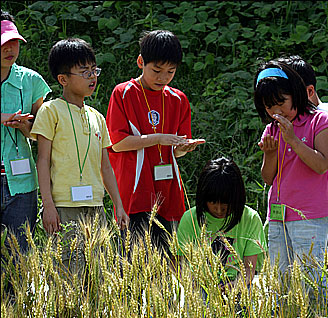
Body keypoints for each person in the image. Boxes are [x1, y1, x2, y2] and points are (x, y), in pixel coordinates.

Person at [31, 38, 129, 271]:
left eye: (94, 70)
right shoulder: (51, 110)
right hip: (64, 206)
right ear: (63, 79)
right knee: (68, 273)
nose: (92, 76)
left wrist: (118, 205)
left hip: (95, 206)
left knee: (99, 272)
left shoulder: (97, 117)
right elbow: (43, 160)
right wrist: (48, 205)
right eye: (84, 72)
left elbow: (106, 167)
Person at [106, 29, 205, 252]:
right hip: (134, 192)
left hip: (168, 192)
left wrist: (183, 148)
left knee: (166, 262)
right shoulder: (124, 93)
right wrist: (158, 138)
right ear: (141, 62)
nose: (163, 78)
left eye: (170, 72)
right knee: (134, 263)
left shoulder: (178, 99)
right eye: (157, 70)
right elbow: (118, 143)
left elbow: (176, 151)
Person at [254, 59, 328, 305]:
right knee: (280, 279)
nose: (276, 111)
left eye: (281, 103)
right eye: (269, 107)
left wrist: (293, 140)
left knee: (310, 279)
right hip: (279, 215)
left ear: (296, 94)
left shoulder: (321, 121)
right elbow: (268, 178)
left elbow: (321, 165)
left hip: (310, 215)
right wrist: (270, 154)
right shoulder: (272, 129)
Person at [175, 157, 266, 290]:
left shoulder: (250, 218)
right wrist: (193, 285)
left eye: (225, 203)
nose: (219, 209)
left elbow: (249, 268)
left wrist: (235, 286)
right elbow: (179, 262)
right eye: (213, 203)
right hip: (200, 285)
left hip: (237, 284)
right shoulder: (190, 219)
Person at [1, 10, 51, 253]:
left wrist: (25, 127)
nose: (10, 49)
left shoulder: (31, 81)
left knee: (19, 257)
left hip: (21, 182)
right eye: (3, 43)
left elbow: (41, 134)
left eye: (14, 42)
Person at [279, 55, 328, 190]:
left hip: (313, 203)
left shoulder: (323, 117)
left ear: (309, 91)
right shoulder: (294, 116)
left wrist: (293, 140)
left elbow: (321, 165)